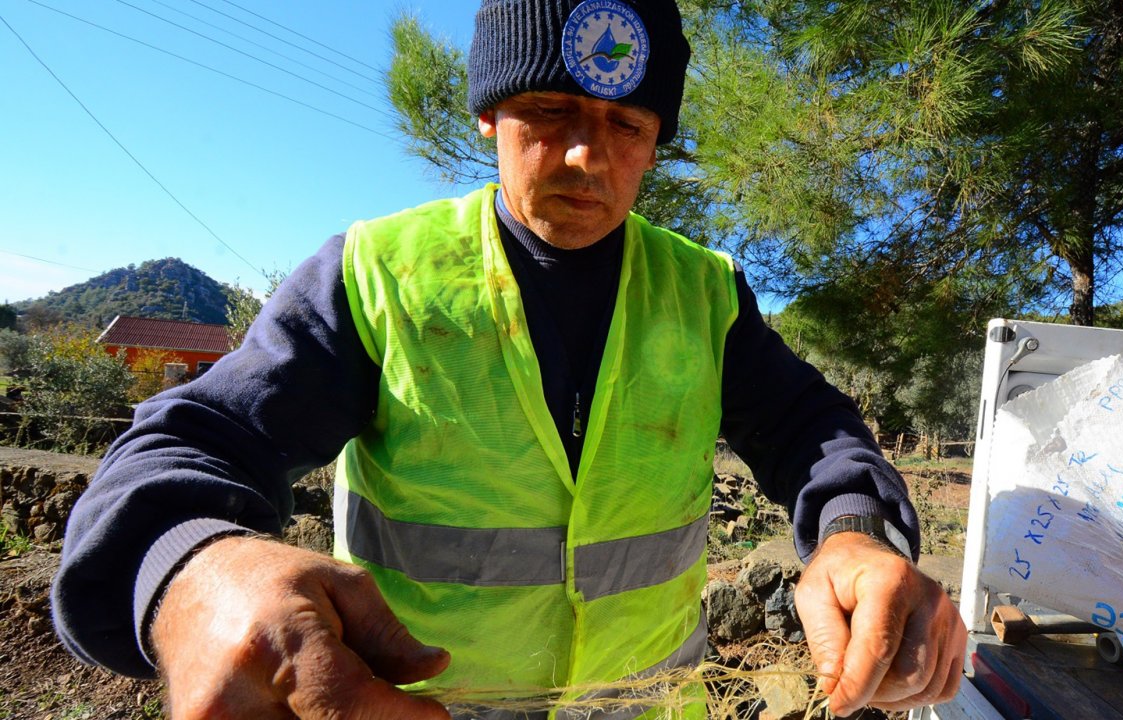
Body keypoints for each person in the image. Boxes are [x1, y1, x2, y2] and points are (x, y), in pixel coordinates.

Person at [52, 0, 966, 717]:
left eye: (627, 124)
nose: (584, 154)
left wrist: (855, 531)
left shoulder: (704, 293)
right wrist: (192, 567)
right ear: (488, 115)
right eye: (548, 110)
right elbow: (192, 442)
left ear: (657, 142)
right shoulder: (379, 275)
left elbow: (813, 429)